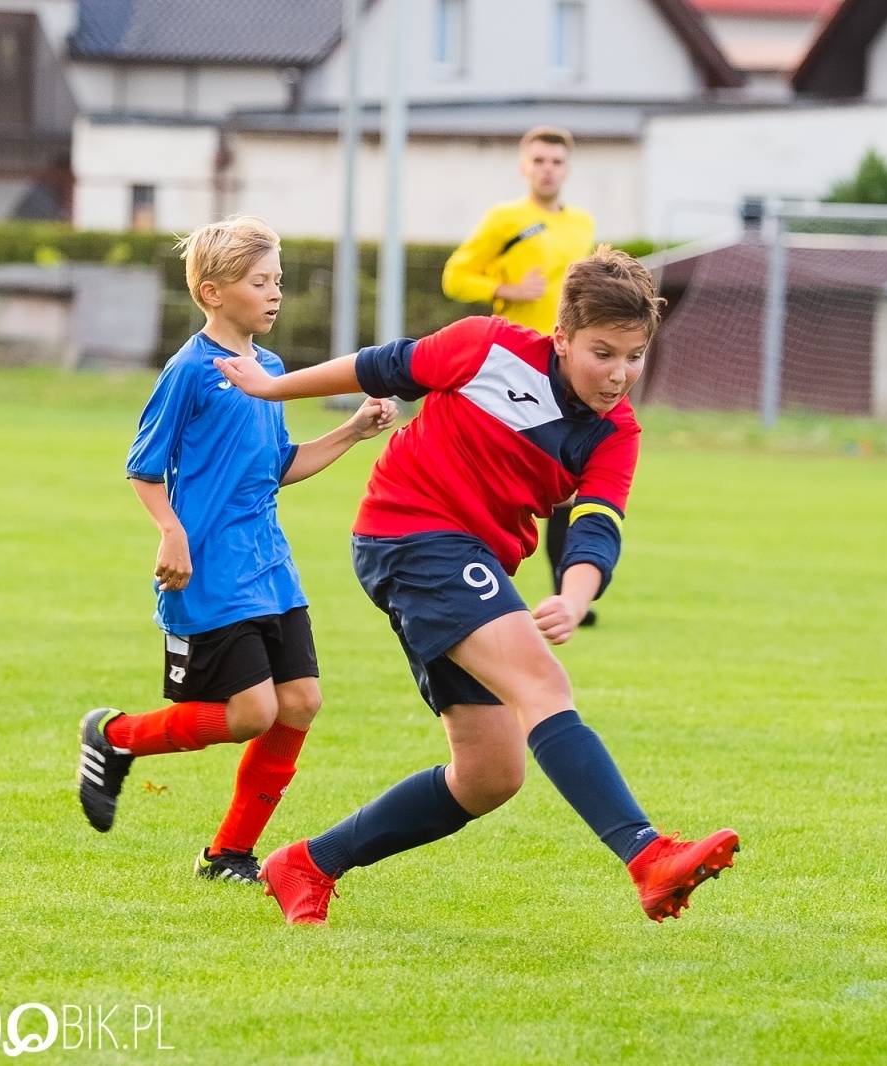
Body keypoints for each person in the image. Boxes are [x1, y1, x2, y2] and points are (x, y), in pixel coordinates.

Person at [214, 247, 739, 925]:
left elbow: (596, 527)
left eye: (635, 357)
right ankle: (648, 855)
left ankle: (308, 863)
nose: (619, 375)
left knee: (491, 774)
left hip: (470, 562)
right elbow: (380, 366)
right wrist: (271, 387)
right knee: (542, 685)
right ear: (562, 338)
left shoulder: (616, 432)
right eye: (603, 354)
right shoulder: (486, 346)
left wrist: (575, 596)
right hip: (409, 533)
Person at [76, 215, 397, 886]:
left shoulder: (269, 371)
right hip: (209, 571)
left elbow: (277, 466)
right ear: (213, 292)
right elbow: (143, 467)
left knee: (300, 701)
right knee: (252, 713)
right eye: (260, 282)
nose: (275, 293)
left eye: (278, 280)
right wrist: (171, 533)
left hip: (270, 566)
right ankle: (113, 737)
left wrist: (352, 430)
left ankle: (228, 854)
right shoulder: (188, 371)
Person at [442, 126, 599, 621]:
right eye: (539, 160)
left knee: (568, 486)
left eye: (556, 161)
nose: (547, 169)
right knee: (501, 480)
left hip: (567, 369)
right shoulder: (505, 219)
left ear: (567, 169)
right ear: (523, 166)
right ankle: (474, 581)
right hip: (514, 367)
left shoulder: (582, 225)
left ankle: (565, 596)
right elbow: (455, 276)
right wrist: (507, 288)